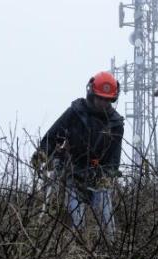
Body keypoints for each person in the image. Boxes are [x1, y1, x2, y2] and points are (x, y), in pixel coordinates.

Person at [31, 71, 124, 242]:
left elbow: (114, 159)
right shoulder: (75, 112)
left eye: (107, 99)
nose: (103, 103)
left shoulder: (116, 124)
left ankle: (111, 252)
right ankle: (74, 253)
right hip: (73, 171)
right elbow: (52, 136)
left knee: (107, 221)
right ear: (92, 94)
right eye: (100, 98)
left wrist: (107, 176)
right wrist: (42, 153)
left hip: (99, 176)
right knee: (76, 221)